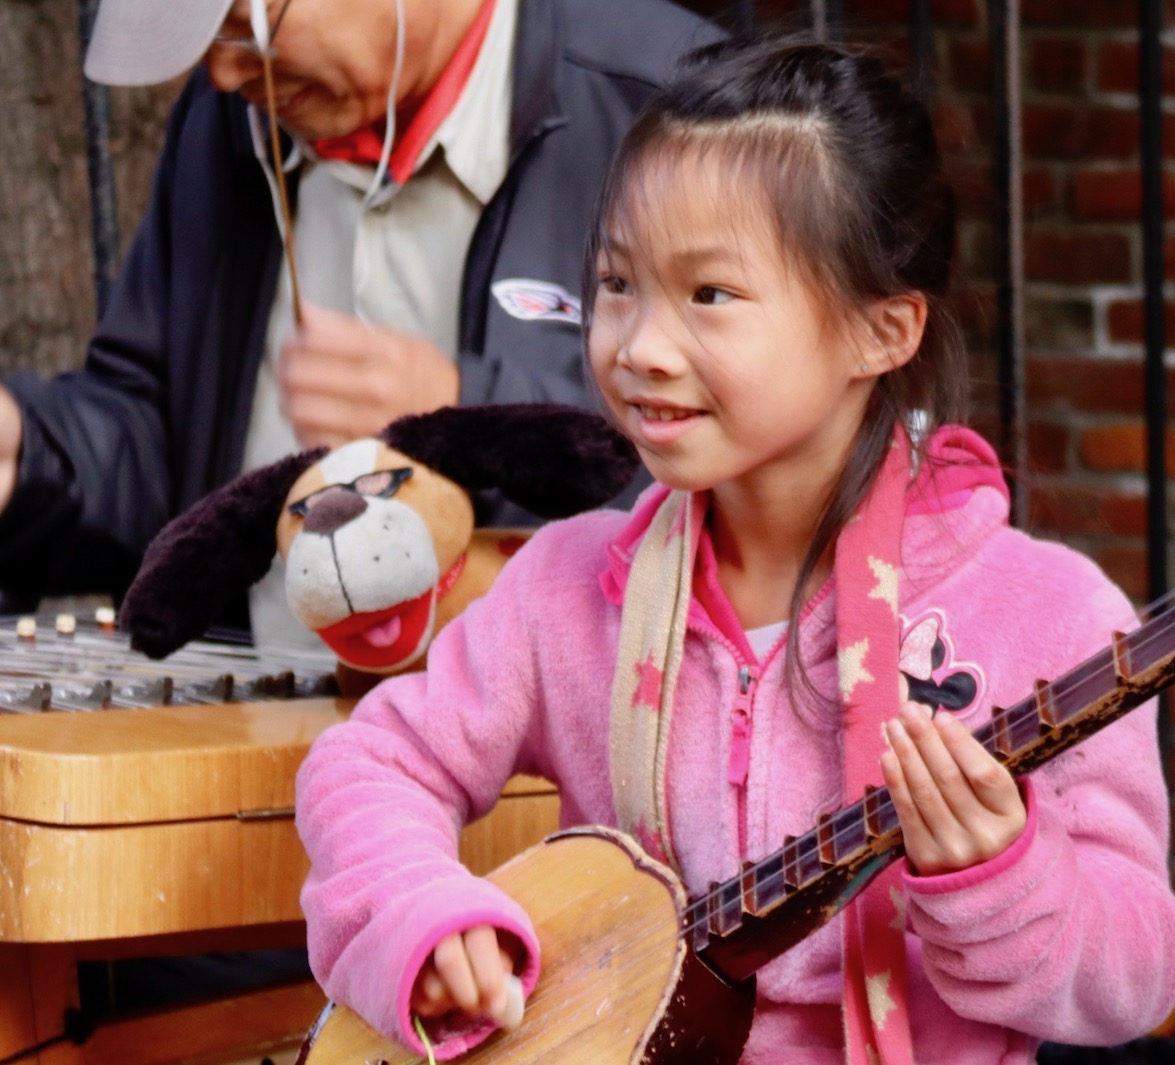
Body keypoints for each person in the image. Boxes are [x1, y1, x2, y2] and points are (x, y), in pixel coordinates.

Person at [294, 40, 1175, 1065]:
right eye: (616, 285)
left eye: (711, 294)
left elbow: (1130, 972)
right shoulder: (570, 588)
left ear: (880, 333)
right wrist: (421, 916)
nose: (641, 345)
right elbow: (376, 759)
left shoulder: (1039, 614)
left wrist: (997, 881)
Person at [0, 0, 714, 637]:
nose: (222, 72)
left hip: (547, 759)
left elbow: (765, 467)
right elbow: (164, 445)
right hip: (253, 734)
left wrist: (465, 423)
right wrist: (27, 455)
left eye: (246, 21)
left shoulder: (666, 104)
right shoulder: (233, 116)